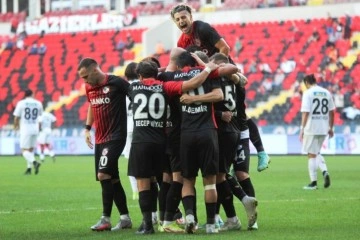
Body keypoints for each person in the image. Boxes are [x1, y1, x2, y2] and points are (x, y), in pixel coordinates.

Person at [170, 4, 270, 171]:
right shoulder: (182, 41)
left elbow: (225, 48)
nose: (181, 21)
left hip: (226, 74)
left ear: (190, 17)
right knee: (220, 115)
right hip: (210, 77)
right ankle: (228, 159)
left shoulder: (202, 28)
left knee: (239, 113)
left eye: (184, 17)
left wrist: (216, 69)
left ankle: (261, 152)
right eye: (178, 19)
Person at [127, 58, 220, 234]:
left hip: (141, 140)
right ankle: (170, 219)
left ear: (139, 76)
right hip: (163, 140)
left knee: (145, 183)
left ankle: (149, 224)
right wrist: (207, 69)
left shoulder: (132, 87)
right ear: (157, 75)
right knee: (170, 180)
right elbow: (192, 83)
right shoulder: (165, 86)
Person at [77, 58, 132, 231]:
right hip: (100, 139)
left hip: (116, 137)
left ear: (95, 70)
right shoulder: (89, 87)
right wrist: (87, 128)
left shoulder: (116, 82)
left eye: (85, 76)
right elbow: (92, 105)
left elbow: (135, 97)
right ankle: (125, 219)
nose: (84, 81)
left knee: (102, 175)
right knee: (112, 178)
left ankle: (105, 219)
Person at [299, 74, 335, 190]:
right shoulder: (326, 92)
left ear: (306, 83)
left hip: (311, 127)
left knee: (311, 154)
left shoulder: (308, 93)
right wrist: (330, 127)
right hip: (324, 127)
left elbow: (305, 112)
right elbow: (332, 111)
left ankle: (313, 183)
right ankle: (324, 171)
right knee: (317, 152)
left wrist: (302, 129)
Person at [13, 89, 43, 175]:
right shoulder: (38, 103)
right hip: (35, 128)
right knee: (30, 150)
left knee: (24, 150)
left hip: (25, 129)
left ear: (25, 95)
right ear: (32, 94)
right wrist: (39, 127)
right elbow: (40, 116)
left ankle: (34, 162)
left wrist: (16, 126)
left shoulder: (21, 103)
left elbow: (16, 117)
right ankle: (29, 168)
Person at [122, 62, 139, 201]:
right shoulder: (145, 84)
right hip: (144, 126)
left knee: (131, 161)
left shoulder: (124, 89)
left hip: (128, 127)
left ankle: (135, 190)